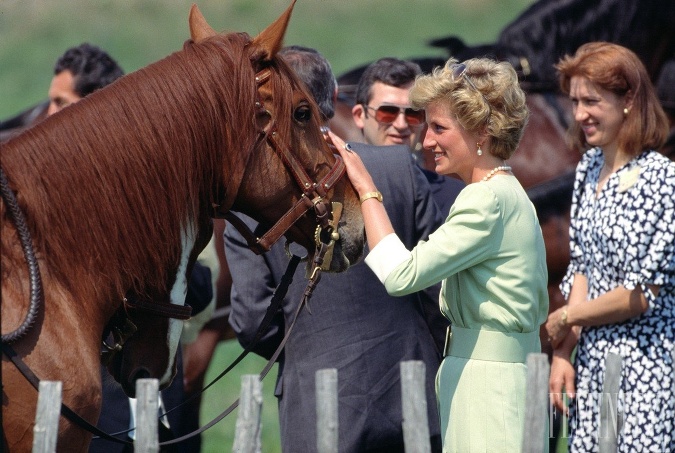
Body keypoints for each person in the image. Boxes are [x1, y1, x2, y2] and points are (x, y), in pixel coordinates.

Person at [225, 45, 446, 452]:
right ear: (334, 102)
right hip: (411, 394)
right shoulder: (399, 168)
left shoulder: (250, 201)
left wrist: (307, 346)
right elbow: (438, 291)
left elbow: (253, 321)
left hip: (317, 404)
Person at [331, 56, 549, 451]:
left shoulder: (485, 200)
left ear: (482, 131)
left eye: (439, 128)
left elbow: (401, 275)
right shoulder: (509, 192)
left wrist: (366, 188)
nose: (426, 141)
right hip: (491, 384)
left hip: (489, 391)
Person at [545, 42, 674, 452]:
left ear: (629, 100)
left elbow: (639, 294)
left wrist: (566, 316)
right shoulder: (587, 169)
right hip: (594, 362)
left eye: (592, 101)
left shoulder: (662, 179)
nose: (580, 113)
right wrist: (565, 352)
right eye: (575, 101)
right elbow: (581, 264)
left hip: (645, 367)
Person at [351, 57, 464, 217]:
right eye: (387, 112)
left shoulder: (455, 197)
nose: (401, 124)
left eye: (413, 113)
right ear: (359, 115)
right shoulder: (333, 192)